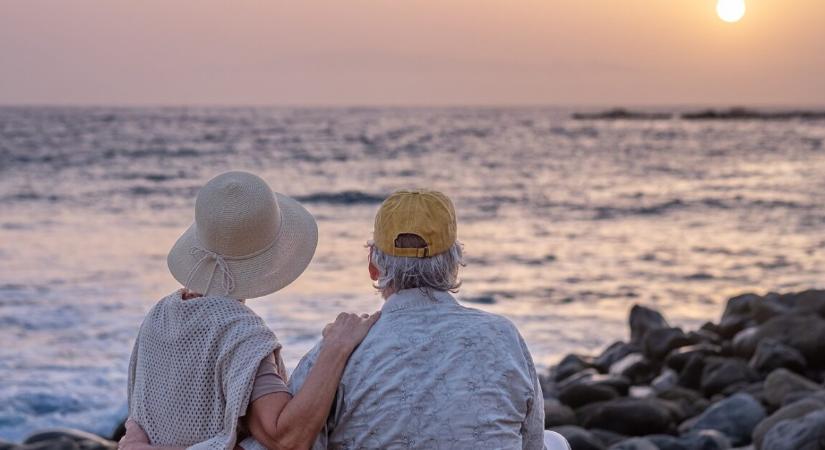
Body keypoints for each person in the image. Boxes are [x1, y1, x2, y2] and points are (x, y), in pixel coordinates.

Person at [286, 189, 569, 449]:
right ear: (454, 263)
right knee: (555, 441)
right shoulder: (504, 336)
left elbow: (295, 440)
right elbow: (531, 440)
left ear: (373, 265)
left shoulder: (337, 353)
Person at [121, 171, 379, 450]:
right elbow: (284, 437)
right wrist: (336, 348)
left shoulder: (159, 315)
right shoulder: (239, 332)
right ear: (270, 258)